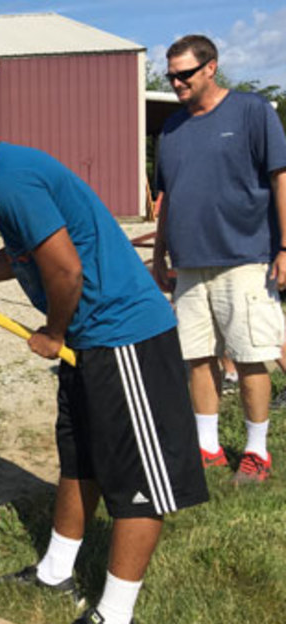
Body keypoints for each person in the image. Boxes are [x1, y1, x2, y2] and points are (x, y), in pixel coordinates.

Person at [0, 106, 208, 624]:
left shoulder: (13, 181)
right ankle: (56, 573)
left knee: (134, 477)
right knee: (82, 458)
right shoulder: (8, 174)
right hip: (90, 343)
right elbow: (27, 253)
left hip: (124, 337)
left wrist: (52, 331)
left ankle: (117, 623)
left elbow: (65, 269)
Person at [151, 34, 286, 483]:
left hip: (245, 256)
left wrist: (285, 246)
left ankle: (256, 452)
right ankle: (207, 449)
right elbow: (165, 197)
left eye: (183, 74)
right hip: (189, 264)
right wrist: (159, 254)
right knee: (197, 357)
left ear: (211, 67)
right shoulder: (171, 129)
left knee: (250, 356)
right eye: (171, 75)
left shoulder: (252, 112)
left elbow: (280, 177)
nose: (176, 82)